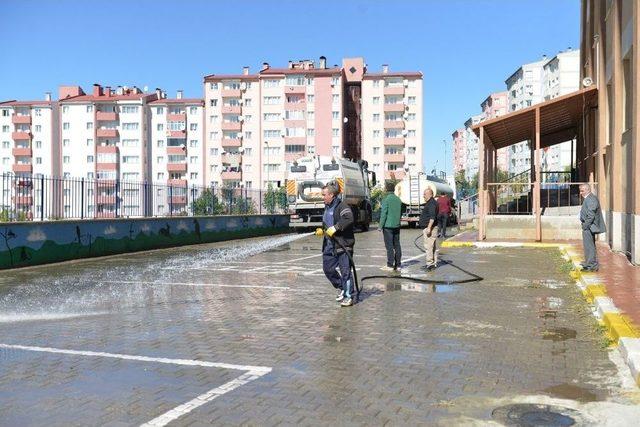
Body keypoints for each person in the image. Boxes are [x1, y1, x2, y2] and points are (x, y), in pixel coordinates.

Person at [318, 182, 356, 307]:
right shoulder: (327, 207)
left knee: (346, 271)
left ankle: (348, 296)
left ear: (332, 195)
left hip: (343, 245)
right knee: (328, 269)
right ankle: (342, 287)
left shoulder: (342, 206)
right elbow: (327, 222)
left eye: (324, 195)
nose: (322, 197)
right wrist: (322, 230)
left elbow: (348, 218)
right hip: (329, 245)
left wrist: (336, 227)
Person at [579, 183, 605, 271]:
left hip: (589, 226)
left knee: (589, 246)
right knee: (588, 245)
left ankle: (591, 265)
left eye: (582, 191)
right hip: (588, 226)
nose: (580, 193)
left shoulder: (591, 199)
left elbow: (591, 215)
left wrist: (585, 225)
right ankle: (589, 262)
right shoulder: (589, 198)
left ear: (587, 190)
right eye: (580, 191)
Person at [378, 181, 402, 272]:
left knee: (389, 246)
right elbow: (401, 211)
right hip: (397, 225)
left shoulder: (386, 199)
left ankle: (390, 265)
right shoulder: (398, 199)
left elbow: (384, 213)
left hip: (388, 226)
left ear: (386, 189)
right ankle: (398, 264)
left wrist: (380, 226)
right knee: (397, 245)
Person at [418, 188, 439, 270]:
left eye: (424, 194)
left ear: (430, 194)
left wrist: (429, 228)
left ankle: (430, 264)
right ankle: (432, 263)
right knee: (431, 246)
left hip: (430, 228)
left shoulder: (432, 204)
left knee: (429, 246)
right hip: (429, 227)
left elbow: (432, 217)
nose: (423, 196)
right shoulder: (431, 203)